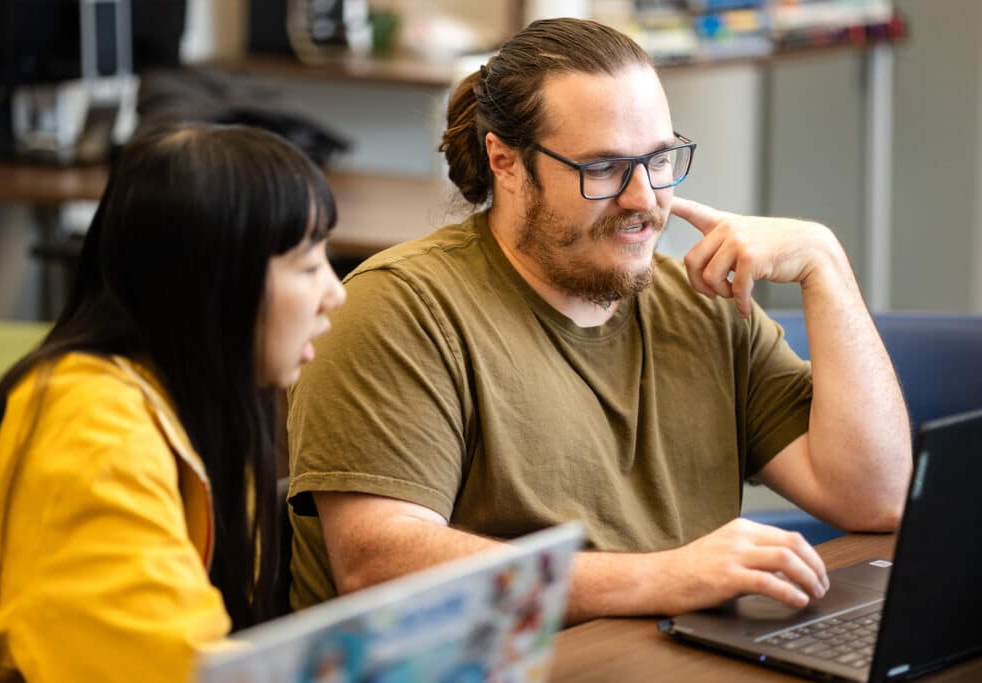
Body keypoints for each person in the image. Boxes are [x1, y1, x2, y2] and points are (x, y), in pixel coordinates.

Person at [286, 18, 911, 623]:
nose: (643, 200)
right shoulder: (402, 309)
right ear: (504, 162)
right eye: (603, 169)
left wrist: (825, 266)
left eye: (659, 160)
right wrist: (663, 577)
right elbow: (377, 564)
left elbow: (875, 498)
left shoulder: (703, 305)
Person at [0, 124, 346, 681]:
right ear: (215, 282)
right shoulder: (94, 428)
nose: (336, 291)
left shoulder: (199, 399)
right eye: (309, 267)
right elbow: (175, 666)